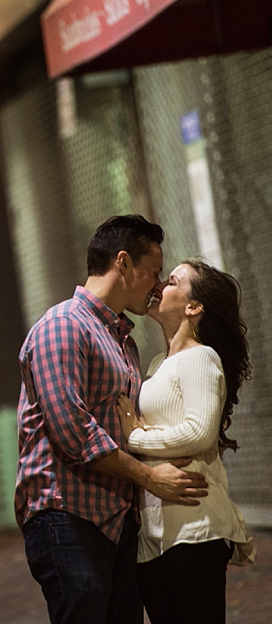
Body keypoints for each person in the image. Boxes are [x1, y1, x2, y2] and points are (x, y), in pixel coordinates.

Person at [15, 215, 209, 624]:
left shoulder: (122, 339)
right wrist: (151, 477)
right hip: (67, 514)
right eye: (154, 272)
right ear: (123, 263)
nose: (157, 285)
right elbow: (74, 432)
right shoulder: (63, 326)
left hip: (115, 520)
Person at [116, 258, 255, 624]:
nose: (160, 285)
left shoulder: (201, 357)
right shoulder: (158, 364)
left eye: (173, 281)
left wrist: (136, 438)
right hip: (155, 534)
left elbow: (199, 432)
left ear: (193, 307)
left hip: (195, 529)